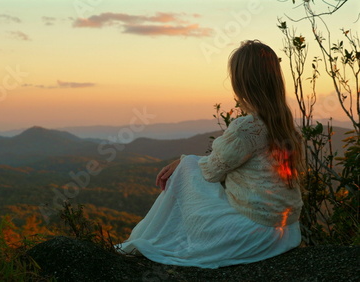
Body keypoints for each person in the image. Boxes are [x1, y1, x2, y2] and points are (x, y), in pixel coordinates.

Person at [116, 40, 304, 269]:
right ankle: (140, 241)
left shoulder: (248, 127)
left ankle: (139, 242)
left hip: (253, 234)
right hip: (285, 232)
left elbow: (211, 171)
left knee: (186, 169)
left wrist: (184, 161)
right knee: (190, 164)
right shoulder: (285, 126)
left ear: (241, 84)